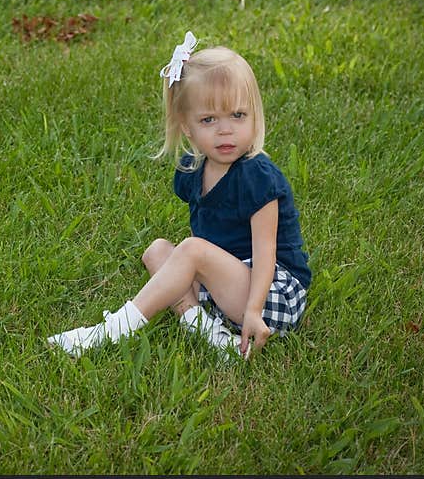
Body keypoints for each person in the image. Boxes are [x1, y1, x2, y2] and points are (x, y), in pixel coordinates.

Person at [47, 32, 311, 361]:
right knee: (157, 251)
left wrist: (254, 310)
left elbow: (266, 252)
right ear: (187, 126)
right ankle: (210, 333)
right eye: (209, 119)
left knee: (191, 250)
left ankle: (111, 332)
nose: (225, 130)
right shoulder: (192, 170)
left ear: (254, 116)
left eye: (238, 115)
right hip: (227, 287)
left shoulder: (258, 177)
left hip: (272, 292)